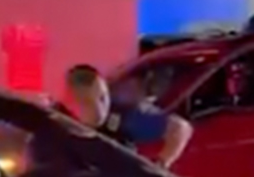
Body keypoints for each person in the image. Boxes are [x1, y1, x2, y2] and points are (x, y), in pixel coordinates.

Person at [63, 63, 193, 171]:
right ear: (73, 101)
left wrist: (161, 163)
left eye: (103, 98)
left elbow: (180, 127)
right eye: (88, 102)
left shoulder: (123, 117)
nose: (100, 109)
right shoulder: (59, 123)